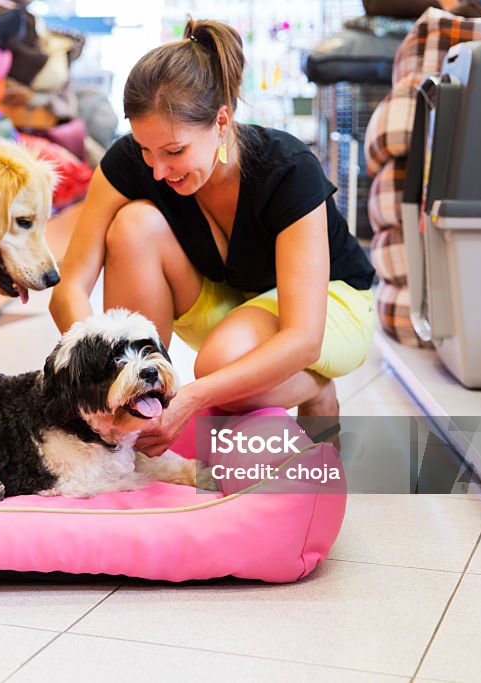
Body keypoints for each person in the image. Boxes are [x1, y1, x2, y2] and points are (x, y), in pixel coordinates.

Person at [49, 18, 376, 456]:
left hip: (330, 308)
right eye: (146, 151)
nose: (158, 171)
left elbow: (303, 337)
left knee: (220, 371)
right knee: (133, 225)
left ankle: (315, 388)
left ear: (221, 121)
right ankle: (140, 422)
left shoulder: (288, 170)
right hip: (235, 303)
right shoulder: (132, 162)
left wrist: (194, 397)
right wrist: (109, 372)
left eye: (175, 151)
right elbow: (69, 286)